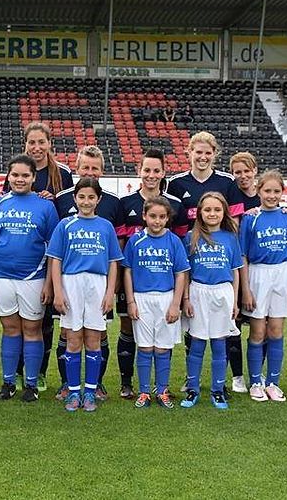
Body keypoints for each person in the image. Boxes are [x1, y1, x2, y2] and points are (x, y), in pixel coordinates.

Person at [0, 122, 74, 392]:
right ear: (25, 144)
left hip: (47, 258)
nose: (37, 147)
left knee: (43, 322)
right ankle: (16, 372)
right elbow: (4, 203)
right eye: (32, 142)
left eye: (42, 142)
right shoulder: (19, 170)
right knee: (16, 324)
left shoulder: (62, 173)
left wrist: (51, 201)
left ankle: (38, 372)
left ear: (50, 143)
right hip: (14, 264)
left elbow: (69, 208)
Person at [0, 155, 59, 403]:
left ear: (34, 177)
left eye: (25, 175)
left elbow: (54, 249)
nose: (20, 179)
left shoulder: (46, 207)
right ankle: (8, 382)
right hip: (1, 277)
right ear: (8, 176)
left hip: (33, 278)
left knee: (33, 330)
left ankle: (31, 384)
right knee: (10, 329)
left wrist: (48, 284)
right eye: (15, 175)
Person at [47, 177, 123, 412]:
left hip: (97, 284)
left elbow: (113, 262)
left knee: (93, 339)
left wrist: (110, 293)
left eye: (91, 197)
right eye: (82, 197)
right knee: (72, 339)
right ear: (75, 198)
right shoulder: (65, 225)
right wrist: (58, 292)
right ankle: (73, 392)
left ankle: (89, 391)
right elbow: (56, 260)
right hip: (71, 283)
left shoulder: (106, 226)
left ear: (98, 199)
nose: (86, 201)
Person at [115, 149, 185, 399]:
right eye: (147, 170)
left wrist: (179, 299)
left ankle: (161, 387)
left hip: (164, 287)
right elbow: (122, 242)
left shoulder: (175, 204)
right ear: (139, 171)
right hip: (135, 284)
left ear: (164, 172)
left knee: (164, 335)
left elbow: (180, 247)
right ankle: (128, 383)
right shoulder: (125, 203)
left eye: (156, 170)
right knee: (128, 327)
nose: (151, 175)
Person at [238, 170, 287, 403]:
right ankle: (256, 381)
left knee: (276, 330)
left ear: (283, 192)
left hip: (282, 274)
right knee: (258, 331)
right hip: (258, 273)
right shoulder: (250, 219)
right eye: (267, 190)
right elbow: (243, 256)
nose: (272, 195)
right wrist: (246, 289)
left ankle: (273, 383)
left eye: (276, 191)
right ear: (258, 191)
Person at [122, 196, 188, 409]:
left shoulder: (174, 241)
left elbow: (180, 274)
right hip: (141, 298)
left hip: (166, 298)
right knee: (144, 347)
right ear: (144, 216)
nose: (157, 221)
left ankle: (162, 390)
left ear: (168, 218)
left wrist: (175, 304)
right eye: (152, 216)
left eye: (161, 217)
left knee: (162, 348)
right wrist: (130, 301)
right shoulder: (135, 240)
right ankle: (144, 392)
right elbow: (128, 271)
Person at [180, 192, 243, 410]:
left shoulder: (230, 237)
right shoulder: (191, 236)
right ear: (199, 212)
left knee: (219, 343)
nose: (212, 213)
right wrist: (186, 298)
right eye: (207, 209)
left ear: (224, 212)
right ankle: (193, 389)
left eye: (217, 209)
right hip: (198, 292)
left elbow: (235, 271)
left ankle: (218, 391)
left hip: (222, 292)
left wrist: (235, 301)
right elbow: (185, 272)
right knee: (197, 343)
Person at [225, 151, 260, 394]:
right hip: (238, 266)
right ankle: (237, 376)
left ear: (255, 170)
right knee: (234, 324)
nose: (243, 176)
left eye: (247, 171)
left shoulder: (265, 195)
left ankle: (258, 375)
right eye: (238, 172)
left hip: (261, 268)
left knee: (261, 326)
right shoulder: (231, 195)